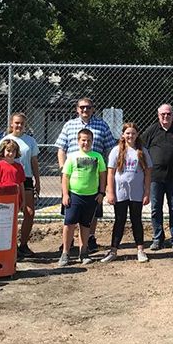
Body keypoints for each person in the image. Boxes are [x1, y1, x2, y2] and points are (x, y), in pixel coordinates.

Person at [55, 97, 116, 252]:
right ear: (77, 109)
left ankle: (90, 239)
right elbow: (61, 148)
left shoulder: (102, 125)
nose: (85, 110)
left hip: (94, 175)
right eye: (82, 107)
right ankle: (68, 243)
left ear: (93, 108)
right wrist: (63, 168)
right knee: (70, 210)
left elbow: (110, 148)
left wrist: (108, 170)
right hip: (73, 174)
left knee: (93, 209)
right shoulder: (69, 125)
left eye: (88, 107)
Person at [103, 123, 153, 263]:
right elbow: (111, 172)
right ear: (123, 135)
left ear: (137, 135)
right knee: (119, 220)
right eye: (127, 133)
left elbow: (148, 172)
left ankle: (140, 250)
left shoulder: (142, 151)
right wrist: (110, 192)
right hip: (120, 193)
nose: (130, 136)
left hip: (137, 193)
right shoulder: (116, 150)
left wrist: (147, 191)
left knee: (136, 220)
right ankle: (113, 250)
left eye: (133, 133)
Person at [142, 104, 173, 252]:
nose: (165, 117)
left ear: (172, 115)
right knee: (156, 208)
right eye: (163, 114)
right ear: (158, 115)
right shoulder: (152, 130)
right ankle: (158, 238)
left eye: (168, 114)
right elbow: (141, 147)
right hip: (155, 177)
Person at [59, 128, 107, 267]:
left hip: (91, 197)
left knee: (86, 225)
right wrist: (66, 194)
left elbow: (103, 175)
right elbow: (65, 176)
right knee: (69, 224)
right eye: (83, 140)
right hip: (74, 196)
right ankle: (65, 253)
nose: (86, 143)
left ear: (93, 142)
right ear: (78, 141)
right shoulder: (72, 157)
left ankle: (83, 253)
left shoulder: (97, 157)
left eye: (89, 140)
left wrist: (101, 193)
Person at [0, 113, 41, 259]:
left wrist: (37, 181)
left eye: (21, 123)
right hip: (8, 182)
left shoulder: (30, 141)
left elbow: (34, 162)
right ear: (11, 124)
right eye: (16, 123)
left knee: (29, 212)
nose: (19, 126)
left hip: (25, 179)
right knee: (10, 214)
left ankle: (23, 245)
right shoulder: (5, 140)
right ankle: (10, 245)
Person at [0, 139, 26, 207]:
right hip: (2, 199)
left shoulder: (19, 167)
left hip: (15, 198)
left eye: (13, 151)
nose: (11, 153)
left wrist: (23, 200)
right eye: (8, 151)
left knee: (14, 217)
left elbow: (21, 185)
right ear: (3, 151)